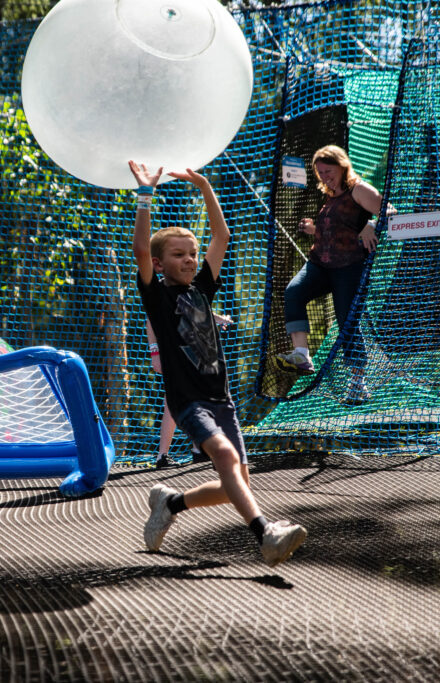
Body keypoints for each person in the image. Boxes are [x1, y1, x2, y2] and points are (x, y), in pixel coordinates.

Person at [130, 160, 307, 568]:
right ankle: (266, 534)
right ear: (159, 264)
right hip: (188, 401)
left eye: (193, 254)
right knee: (225, 458)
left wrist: (205, 186)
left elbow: (222, 236)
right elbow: (140, 249)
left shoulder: (202, 289)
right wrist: (145, 195)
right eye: (179, 255)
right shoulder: (157, 296)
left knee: (235, 484)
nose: (190, 260)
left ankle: (170, 503)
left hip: (220, 399)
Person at [273, 145, 393, 406]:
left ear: (341, 166)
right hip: (320, 264)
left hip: (349, 266)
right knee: (294, 292)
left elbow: (391, 213)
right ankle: (301, 354)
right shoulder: (330, 195)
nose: (324, 177)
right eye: (320, 173)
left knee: (347, 321)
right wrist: (314, 229)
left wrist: (371, 224)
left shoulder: (358, 189)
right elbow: (340, 228)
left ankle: (358, 383)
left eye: (328, 171)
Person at [146, 313, 231, 468]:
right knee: (173, 400)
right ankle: (162, 456)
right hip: (174, 347)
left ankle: (198, 450)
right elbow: (151, 319)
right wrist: (154, 352)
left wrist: (215, 318)